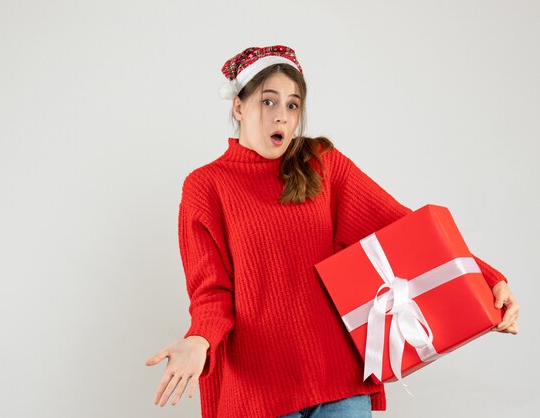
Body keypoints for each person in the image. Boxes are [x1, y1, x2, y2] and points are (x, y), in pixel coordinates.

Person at [145, 45, 520, 418]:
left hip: (339, 383)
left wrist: (486, 278)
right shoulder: (206, 186)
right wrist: (199, 339)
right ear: (238, 107)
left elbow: (403, 227)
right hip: (261, 392)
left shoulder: (321, 165)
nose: (282, 117)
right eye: (269, 102)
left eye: (293, 105)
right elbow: (212, 291)